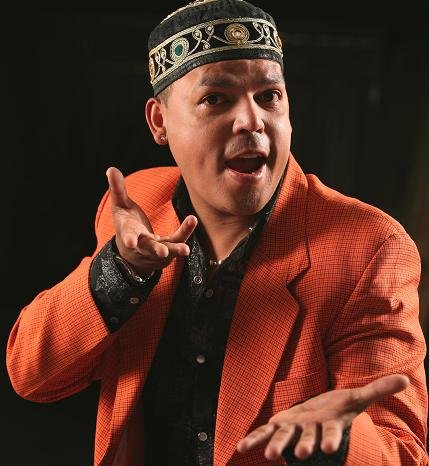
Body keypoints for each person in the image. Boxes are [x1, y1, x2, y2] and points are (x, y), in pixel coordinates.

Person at [6, 0, 428, 464]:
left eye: (269, 95)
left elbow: (404, 453)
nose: (252, 120)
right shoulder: (138, 206)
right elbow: (33, 376)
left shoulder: (368, 248)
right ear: (160, 122)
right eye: (216, 99)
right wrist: (120, 273)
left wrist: (340, 443)